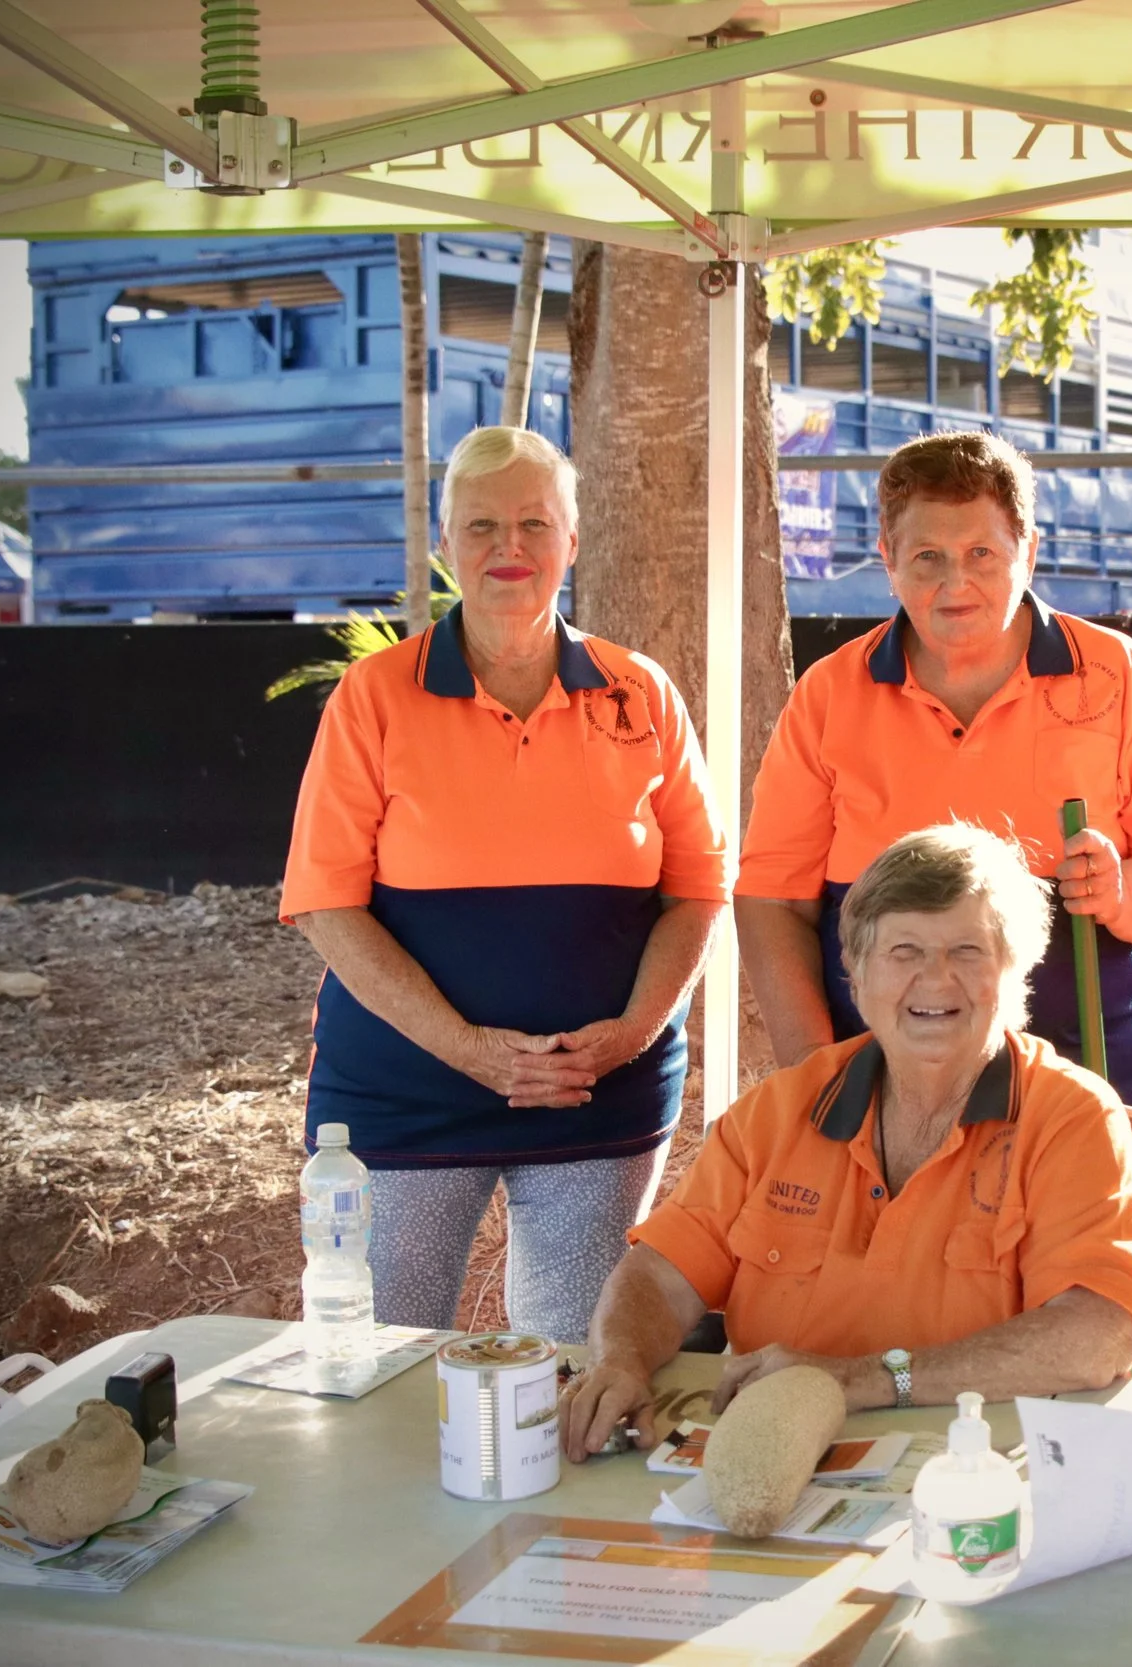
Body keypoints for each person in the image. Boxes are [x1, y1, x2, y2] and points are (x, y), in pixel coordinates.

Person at [280, 425, 731, 1339]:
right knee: (381, 1355)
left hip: (595, 1091)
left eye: (535, 522)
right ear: (447, 545)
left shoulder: (639, 693)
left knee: (572, 1361)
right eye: (482, 526)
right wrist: (472, 1050)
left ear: (573, 539)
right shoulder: (375, 697)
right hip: (403, 1094)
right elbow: (326, 903)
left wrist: (631, 1034)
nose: (509, 548)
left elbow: (701, 885)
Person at [562, 824, 1132, 1455]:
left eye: (968, 950)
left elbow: (1097, 1335)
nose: (936, 979)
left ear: (1017, 971)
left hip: (976, 1483)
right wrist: (621, 1361)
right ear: (856, 972)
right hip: (778, 1457)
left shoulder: (1072, 1116)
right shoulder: (780, 1109)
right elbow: (658, 1275)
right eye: (904, 951)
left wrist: (862, 1380)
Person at [735, 430, 1132, 1111]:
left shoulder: (1117, 674)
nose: (955, 583)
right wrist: (817, 1071)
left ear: (1028, 552)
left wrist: (1122, 890)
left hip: (1084, 1077)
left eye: (980, 555)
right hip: (884, 1083)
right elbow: (770, 899)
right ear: (887, 560)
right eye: (928, 558)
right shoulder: (829, 693)